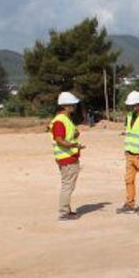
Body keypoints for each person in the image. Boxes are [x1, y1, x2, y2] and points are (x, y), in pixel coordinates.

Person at [50, 91, 86, 221]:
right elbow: (59, 139)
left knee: (68, 185)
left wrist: (75, 135)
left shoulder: (65, 119)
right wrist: (73, 145)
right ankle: (64, 212)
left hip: (69, 157)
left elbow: (67, 135)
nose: (75, 107)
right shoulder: (60, 121)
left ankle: (66, 210)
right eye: (73, 105)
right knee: (67, 186)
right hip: (67, 158)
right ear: (66, 106)